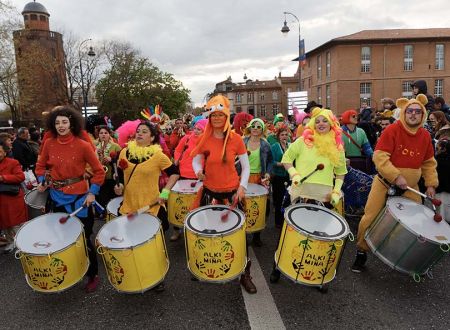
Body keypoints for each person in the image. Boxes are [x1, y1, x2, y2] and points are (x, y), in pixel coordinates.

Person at [351, 94, 438, 273]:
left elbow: (428, 162)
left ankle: (401, 254)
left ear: (422, 115)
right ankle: (361, 251)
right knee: (370, 216)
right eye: (410, 111)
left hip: (411, 187)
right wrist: (396, 176)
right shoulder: (392, 130)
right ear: (404, 113)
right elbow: (379, 156)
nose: (413, 114)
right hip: (384, 182)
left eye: (417, 112)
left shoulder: (425, 136)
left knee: (415, 222)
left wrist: (430, 184)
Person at [270, 107, 347, 283]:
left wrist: (336, 191)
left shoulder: (338, 146)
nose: (321, 124)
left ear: (332, 123)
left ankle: (317, 274)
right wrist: (294, 174)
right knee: (289, 232)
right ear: (312, 123)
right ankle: (278, 266)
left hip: (325, 196)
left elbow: (341, 172)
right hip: (301, 192)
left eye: (325, 120)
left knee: (320, 236)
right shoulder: (303, 141)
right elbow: (287, 158)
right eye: (318, 121)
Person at [35, 106, 105, 292]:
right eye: (57, 122)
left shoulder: (83, 145)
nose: (61, 125)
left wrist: (92, 193)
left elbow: (99, 172)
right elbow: (40, 167)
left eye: (64, 122)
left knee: (83, 237)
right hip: (56, 197)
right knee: (61, 237)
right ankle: (71, 268)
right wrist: (42, 180)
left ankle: (93, 274)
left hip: (80, 200)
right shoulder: (48, 144)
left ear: (72, 123)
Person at [190, 94, 256, 294]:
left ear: (226, 116)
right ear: (209, 118)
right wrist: (198, 172)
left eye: (220, 115)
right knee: (208, 231)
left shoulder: (236, 139)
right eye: (213, 116)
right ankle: (205, 264)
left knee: (239, 235)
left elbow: (245, 167)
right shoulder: (205, 139)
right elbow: (195, 160)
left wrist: (242, 187)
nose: (217, 118)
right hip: (209, 192)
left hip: (232, 192)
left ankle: (245, 273)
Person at [114, 121, 180, 291]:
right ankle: (137, 274)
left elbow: (174, 174)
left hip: (151, 207)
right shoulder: (124, 152)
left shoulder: (158, 156)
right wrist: (119, 186)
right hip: (129, 206)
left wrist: (164, 193)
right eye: (138, 131)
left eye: (144, 132)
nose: (140, 134)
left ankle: (157, 277)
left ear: (152, 137)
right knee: (132, 244)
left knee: (153, 246)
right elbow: (121, 175)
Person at [169, 118, 207, 241]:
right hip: (183, 174)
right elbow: (178, 149)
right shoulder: (186, 138)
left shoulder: (207, 142)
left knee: (196, 205)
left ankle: (195, 228)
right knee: (178, 203)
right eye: (195, 128)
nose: (196, 131)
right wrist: (176, 159)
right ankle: (176, 230)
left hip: (198, 177)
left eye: (199, 129)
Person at [242, 118, 273, 246]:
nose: (255, 128)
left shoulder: (265, 144)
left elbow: (271, 161)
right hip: (244, 177)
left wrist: (268, 173)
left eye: (258, 126)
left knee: (260, 207)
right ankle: (242, 233)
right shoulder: (243, 141)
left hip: (259, 179)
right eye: (253, 126)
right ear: (250, 128)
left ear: (262, 130)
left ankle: (256, 235)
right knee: (242, 206)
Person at [0, 140, 28, 253]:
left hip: (12, 198)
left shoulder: (13, 162)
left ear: (5, 152)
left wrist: (3, 178)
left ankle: (22, 243)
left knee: (16, 223)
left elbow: (20, 177)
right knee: (4, 223)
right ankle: (11, 241)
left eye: (0, 151)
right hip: (2, 199)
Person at [94, 126, 122, 210]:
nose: (103, 135)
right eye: (101, 133)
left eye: (106, 133)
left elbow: (121, 159)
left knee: (112, 196)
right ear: (98, 135)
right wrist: (97, 155)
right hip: (100, 177)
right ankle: (103, 213)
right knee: (102, 196)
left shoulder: (115, 146)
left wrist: (111, 159)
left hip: (111, 176)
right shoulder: (95, 147)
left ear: (109, 134)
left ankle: (113, 211)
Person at [270, 125, 291, 229]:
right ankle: (278, 222)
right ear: (278, 136)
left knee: (288, 199)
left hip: (289, 176)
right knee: (278, 200)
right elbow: (271, 161)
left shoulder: (291, 146)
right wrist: (281, 164)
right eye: (282, 135)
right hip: (278, 177)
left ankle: (286, 221)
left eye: (286, 135)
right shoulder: (274, 146)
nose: (284, 136)